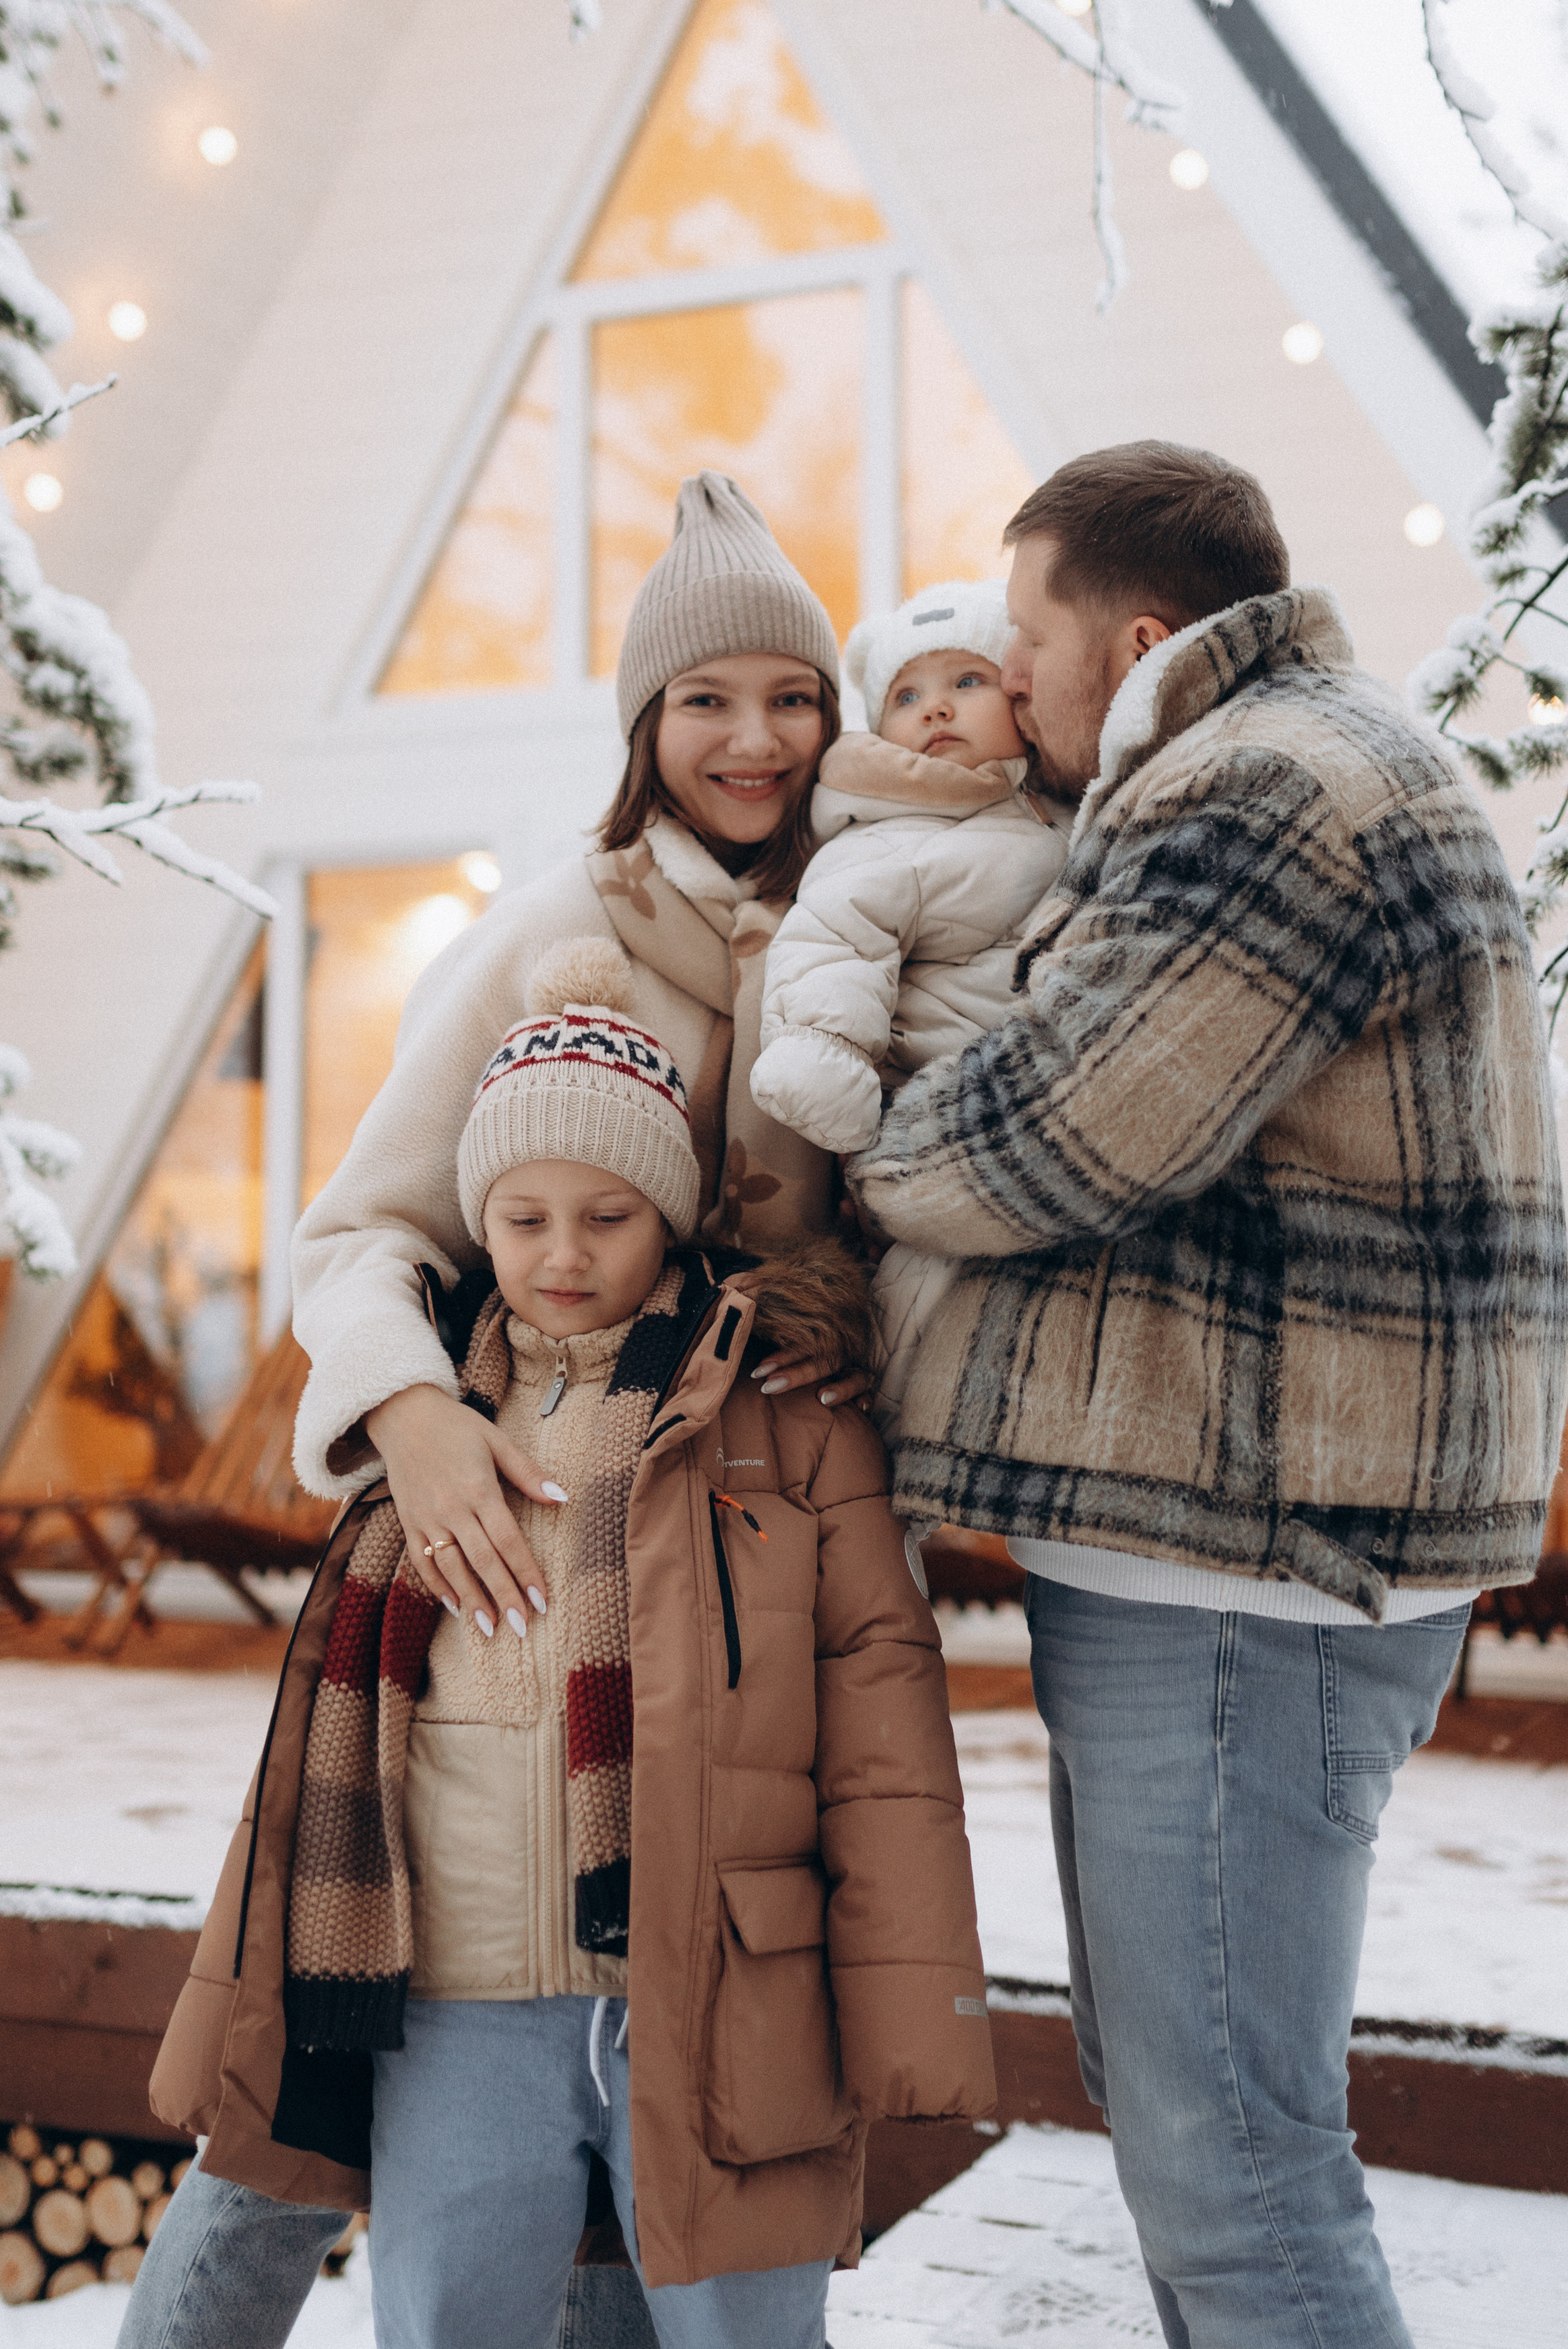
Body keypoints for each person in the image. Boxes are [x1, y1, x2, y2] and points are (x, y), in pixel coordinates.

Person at [121, 472, 875, 2349]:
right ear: (644, 728)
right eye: (706, 701)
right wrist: (416, 1421)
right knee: (304, 2104)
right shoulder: (568, 921)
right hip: (509, 1520)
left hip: (725, 1566)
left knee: (661, 2123)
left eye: (792, 696)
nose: (755, 739)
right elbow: (361, 1226)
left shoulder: (870, 918)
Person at [847, 441, 1568, 2349]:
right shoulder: (1294, 757)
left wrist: (851, 1145)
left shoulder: (1269, 788)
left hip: (1248, 1578)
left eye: (1024, 638)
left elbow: (1043, 1140)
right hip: (1239, 1561)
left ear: (1139, 635)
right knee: (1198, 2135)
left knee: (1231, 2168)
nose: (1004, 681)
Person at [145, 942, 995, 2349]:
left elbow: (884, 1736)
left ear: (667, 1218)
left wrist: (913, 2008)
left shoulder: (781, 1422)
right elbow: (320, 1757)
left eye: (607, 1213)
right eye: (523, 1217)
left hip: (721, 1992)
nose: (561, 1253)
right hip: (459, 1998)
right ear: (480, 1223)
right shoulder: (416, 1433)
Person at [750, 577, 1071, 1437]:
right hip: (937, 1103)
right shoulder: (884, 833)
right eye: (907, 695)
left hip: (1051, 1098)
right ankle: (900, 1455)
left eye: (965, 682)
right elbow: (834, 938)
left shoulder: (1062, 810)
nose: (936, 710)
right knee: (924, 1297)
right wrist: (824, 1052)